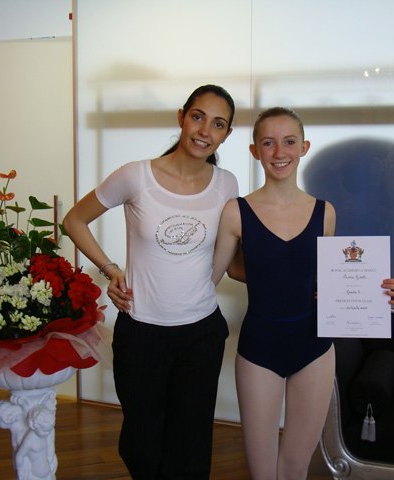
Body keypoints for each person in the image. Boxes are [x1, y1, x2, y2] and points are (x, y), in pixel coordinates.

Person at [211, 107, 394, 480]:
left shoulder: (324, 212)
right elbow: (214, 275)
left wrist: (383, 289)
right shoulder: (236, 212)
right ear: (255, 151)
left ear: (304, 147)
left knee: (296, 467)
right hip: (259, 349)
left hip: (314, 348)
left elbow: (326, 278)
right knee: (263, 471)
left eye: (289, 142)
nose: (279, 152)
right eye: (268, 143)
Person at [63, 84, 238, 479]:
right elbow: (74, 220)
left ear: (226, 134)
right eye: (198, 117)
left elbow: (224, 253)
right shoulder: (135, 175)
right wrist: (111, 269)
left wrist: (202, 286)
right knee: (141, 441)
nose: (204, 131)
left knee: (190, 442)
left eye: (218, 124)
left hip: (201, 332)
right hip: (141, 332)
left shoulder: (226, 184)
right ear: (181, 117)